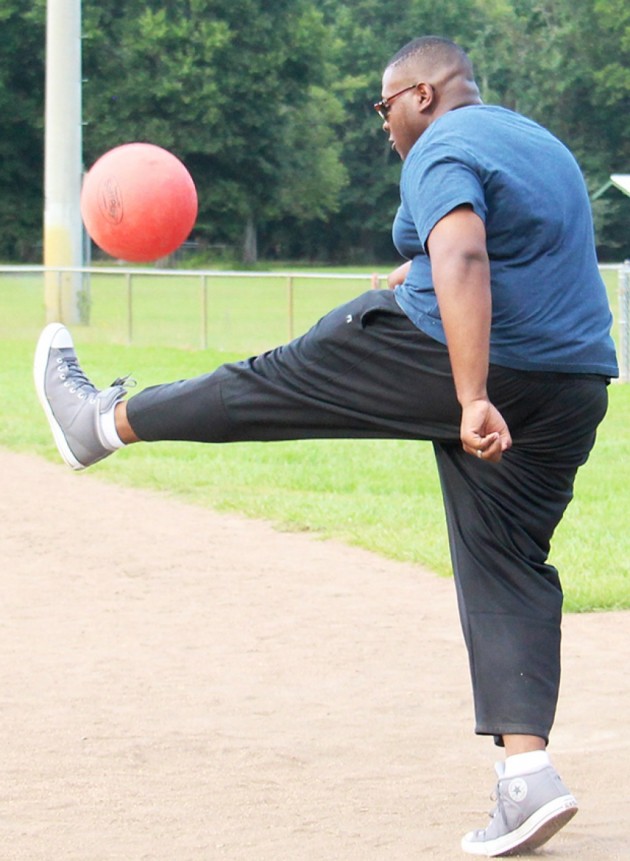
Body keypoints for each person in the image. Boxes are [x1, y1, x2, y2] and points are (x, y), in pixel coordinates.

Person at [34, 36, 618, 857]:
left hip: (473, 362)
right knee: (508, 557)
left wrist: (472, 391)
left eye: (384, 109)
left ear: (421, 94)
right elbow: (502, 252)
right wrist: (420, 280)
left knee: (274, 380)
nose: (385, 128)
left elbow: (463, 249)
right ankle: (528, 779)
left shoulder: (444, 140)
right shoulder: (538, 143)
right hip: (574, 382)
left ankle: (99, 422)